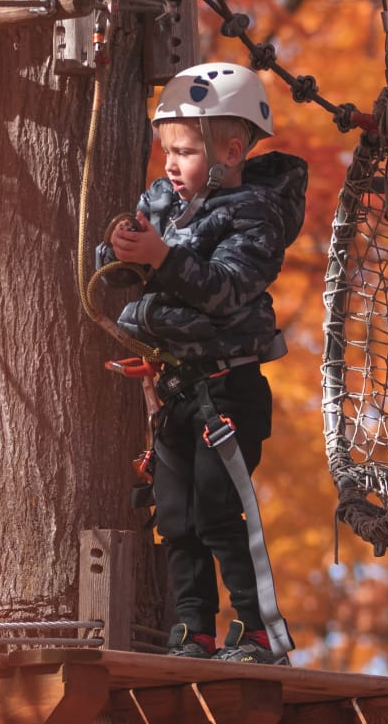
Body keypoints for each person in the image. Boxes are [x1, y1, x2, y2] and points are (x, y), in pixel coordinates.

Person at [98, 62, 307, 664]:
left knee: (219, 509)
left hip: (227, 390)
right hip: (175, 392)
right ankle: (193, 631)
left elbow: (224, 288)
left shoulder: (255, 213)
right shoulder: (164, 202)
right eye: (167, 151)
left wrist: (161, 257)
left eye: (184, 152)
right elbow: (121, 272)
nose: (169, 165)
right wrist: (120, 246)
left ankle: (262, 629)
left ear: (231, 152)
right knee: (176, 517)